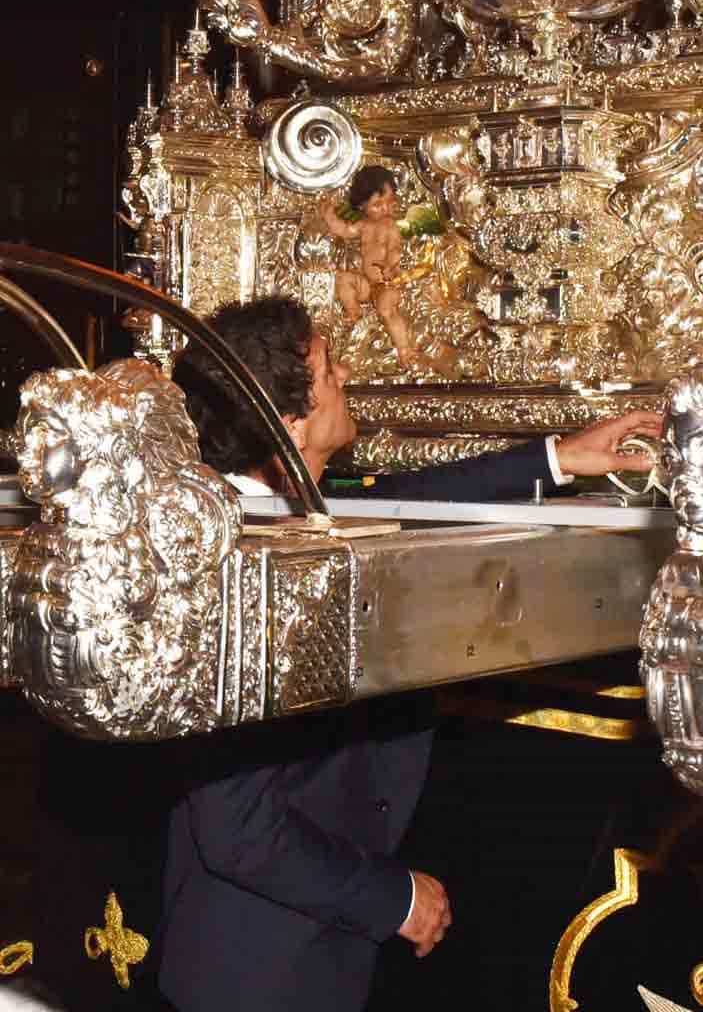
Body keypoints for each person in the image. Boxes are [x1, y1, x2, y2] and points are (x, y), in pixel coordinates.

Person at [156, 295, 662, 1012]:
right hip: (255, 968)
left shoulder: (293, 511)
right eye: (330, 366)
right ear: (289, 418)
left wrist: (562, 456)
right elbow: (236, 830)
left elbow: (409, 499)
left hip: (306, 950)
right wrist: (394, 899)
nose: (346, 373)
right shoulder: (228, 560)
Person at [317, 166, 424, 370]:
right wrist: (329, 216)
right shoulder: (363, 225)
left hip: (386, 283)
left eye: (390, 202)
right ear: (361, 206)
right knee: (343, 279)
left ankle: (405, 349)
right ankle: (353, 310)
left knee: (387, 310)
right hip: (367, 284)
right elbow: (345, 230)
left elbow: (395, 249)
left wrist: (390, 265)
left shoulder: (390, 226)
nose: (385, 209)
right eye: (377, 204)